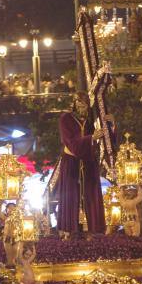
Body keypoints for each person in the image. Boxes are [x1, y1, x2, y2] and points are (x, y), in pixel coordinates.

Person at [55, 92, 109, 238]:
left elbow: (106, 141)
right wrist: (91, 138)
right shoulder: (65, 119)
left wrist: (110, 124)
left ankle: (92, 229)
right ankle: (71, 230)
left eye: (84, 102)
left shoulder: (92, 119)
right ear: (73, 103)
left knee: (90, 195)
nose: (81, 105)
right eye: (78, 101)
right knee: (72, 196)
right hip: (72, 163)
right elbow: (71, 143)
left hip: (88, 163)